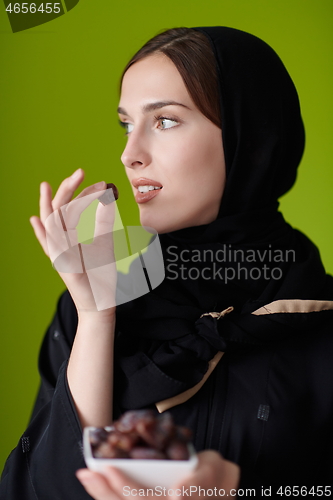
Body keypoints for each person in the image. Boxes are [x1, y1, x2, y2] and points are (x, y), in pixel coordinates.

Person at [1, 26, 333, 500]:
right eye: (126, 124)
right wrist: (97, 317)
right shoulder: (88, 308)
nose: (129, 153)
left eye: (165, 121)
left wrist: (235, 492)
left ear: (251, 139)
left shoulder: (320, 325)